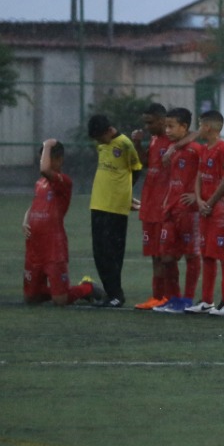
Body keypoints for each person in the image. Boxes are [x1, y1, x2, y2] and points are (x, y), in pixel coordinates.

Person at [22, 139, 101, 307]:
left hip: (53, 248)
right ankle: (58, 290)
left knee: (61, 301)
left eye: (46, 158)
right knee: (31, 298)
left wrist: (48, 144)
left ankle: (86, 288)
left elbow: (44, 169)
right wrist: (25, 220)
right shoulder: (40, 183)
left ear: (59, 160)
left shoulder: (63, 182)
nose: (42, 163)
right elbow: (35, 204)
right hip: (34, 246)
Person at [86, 113, 141, 308]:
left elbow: (137, 168)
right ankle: (111, 293)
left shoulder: (125, 144)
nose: (99, 141)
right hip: (98, 204)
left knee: (112, 253)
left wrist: (125, 194)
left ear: (109, 131)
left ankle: (116, 295)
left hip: (116, 208)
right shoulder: (102, 145)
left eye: (100, 136)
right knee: (99, 253)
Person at [185, 110, 224, 316]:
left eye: (199, 124)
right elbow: (198, 176)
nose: (198, 129)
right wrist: (199, 200)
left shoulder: (223, 149)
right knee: (207, 254)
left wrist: (211, 202)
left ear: (207, 127)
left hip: (220, 210)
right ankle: (207, 301)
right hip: (205, 208)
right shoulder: (205, 149)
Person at [153, 108, 203, 314]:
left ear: (184, 127)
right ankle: (173, 297)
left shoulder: (196, 149)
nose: (167, 130)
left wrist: (197, 196)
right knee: (166, 256)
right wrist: (166, 200)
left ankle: (188, 299)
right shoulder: (173, 149)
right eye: (166, 126)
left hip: (188, 210)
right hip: (171, 209)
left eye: (171, 126)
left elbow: (207, 173)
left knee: (191, 255)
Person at [133, 103, 172, 310]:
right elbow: (146, 163)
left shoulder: (173, 138)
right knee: (155, 255)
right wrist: (138, 144)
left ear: (162, 120)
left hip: (164, 205)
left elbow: (193, 136)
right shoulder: (155, 139)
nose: (147, 127)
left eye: (150, 122)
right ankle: (157, 297)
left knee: (166, 256)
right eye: (145, 123)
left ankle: (169, 296)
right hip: (150, 203)